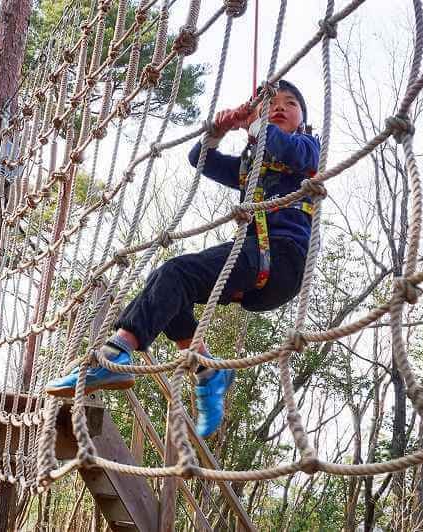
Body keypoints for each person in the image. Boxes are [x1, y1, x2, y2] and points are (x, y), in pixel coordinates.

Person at [46, 80, 320, 438]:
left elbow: (290, 151)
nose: (279, 106)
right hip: (256, 263)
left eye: (290, 103)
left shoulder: (305, 148)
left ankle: (117, 352)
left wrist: (255, 122)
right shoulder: (251, 165)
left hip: (283, 259)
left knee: (176, 273)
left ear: (302, 119)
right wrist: (219, 130)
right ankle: (208, 371)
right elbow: (199, 159)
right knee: (170, 281)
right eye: (270, 103)